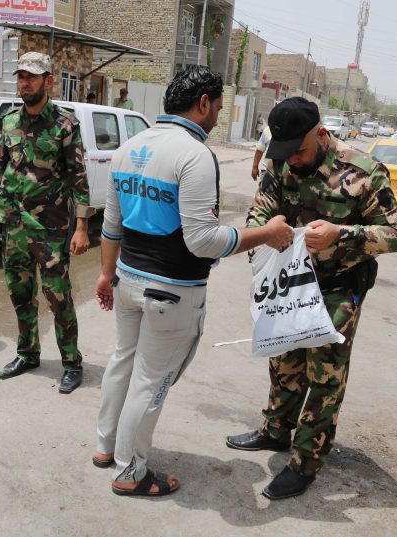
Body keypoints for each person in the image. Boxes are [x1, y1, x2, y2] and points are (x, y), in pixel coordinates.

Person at [93, 65, 294, 497]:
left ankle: (105, 447)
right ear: (202, 103)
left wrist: (106, 275)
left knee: (123, 361)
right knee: (151, 380)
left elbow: (111, 227)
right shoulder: (195, 155)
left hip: (127, 280)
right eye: (219, 108)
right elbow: (203, 240)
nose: (218, 116)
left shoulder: (129, 148)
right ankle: (130, 473)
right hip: (171, 292)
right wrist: (266, 233)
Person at [226, 97, 397, 500]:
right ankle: (276, 431)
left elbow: (395, 235)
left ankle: (306, 460)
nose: (291, 161)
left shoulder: (363, 172)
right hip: (289, 284)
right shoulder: (278, 161)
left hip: (340, 284)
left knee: (325, 374)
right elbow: (260, 211)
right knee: (283, 356)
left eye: (299, 151)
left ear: (321, 134)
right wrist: (263, 233)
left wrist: (342, 234)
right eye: (284, 152)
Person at [0, 52, 93, 394]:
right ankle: (27, 353)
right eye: (21, 76)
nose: (24, 82)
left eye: (31, 76)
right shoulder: (10, 122)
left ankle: (72, 363)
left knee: (58, 297)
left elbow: (79, 178)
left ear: (47, 81)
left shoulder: (65, 123)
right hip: (13, 225)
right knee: (20, 293)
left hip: (51, 229)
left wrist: (83, 227)